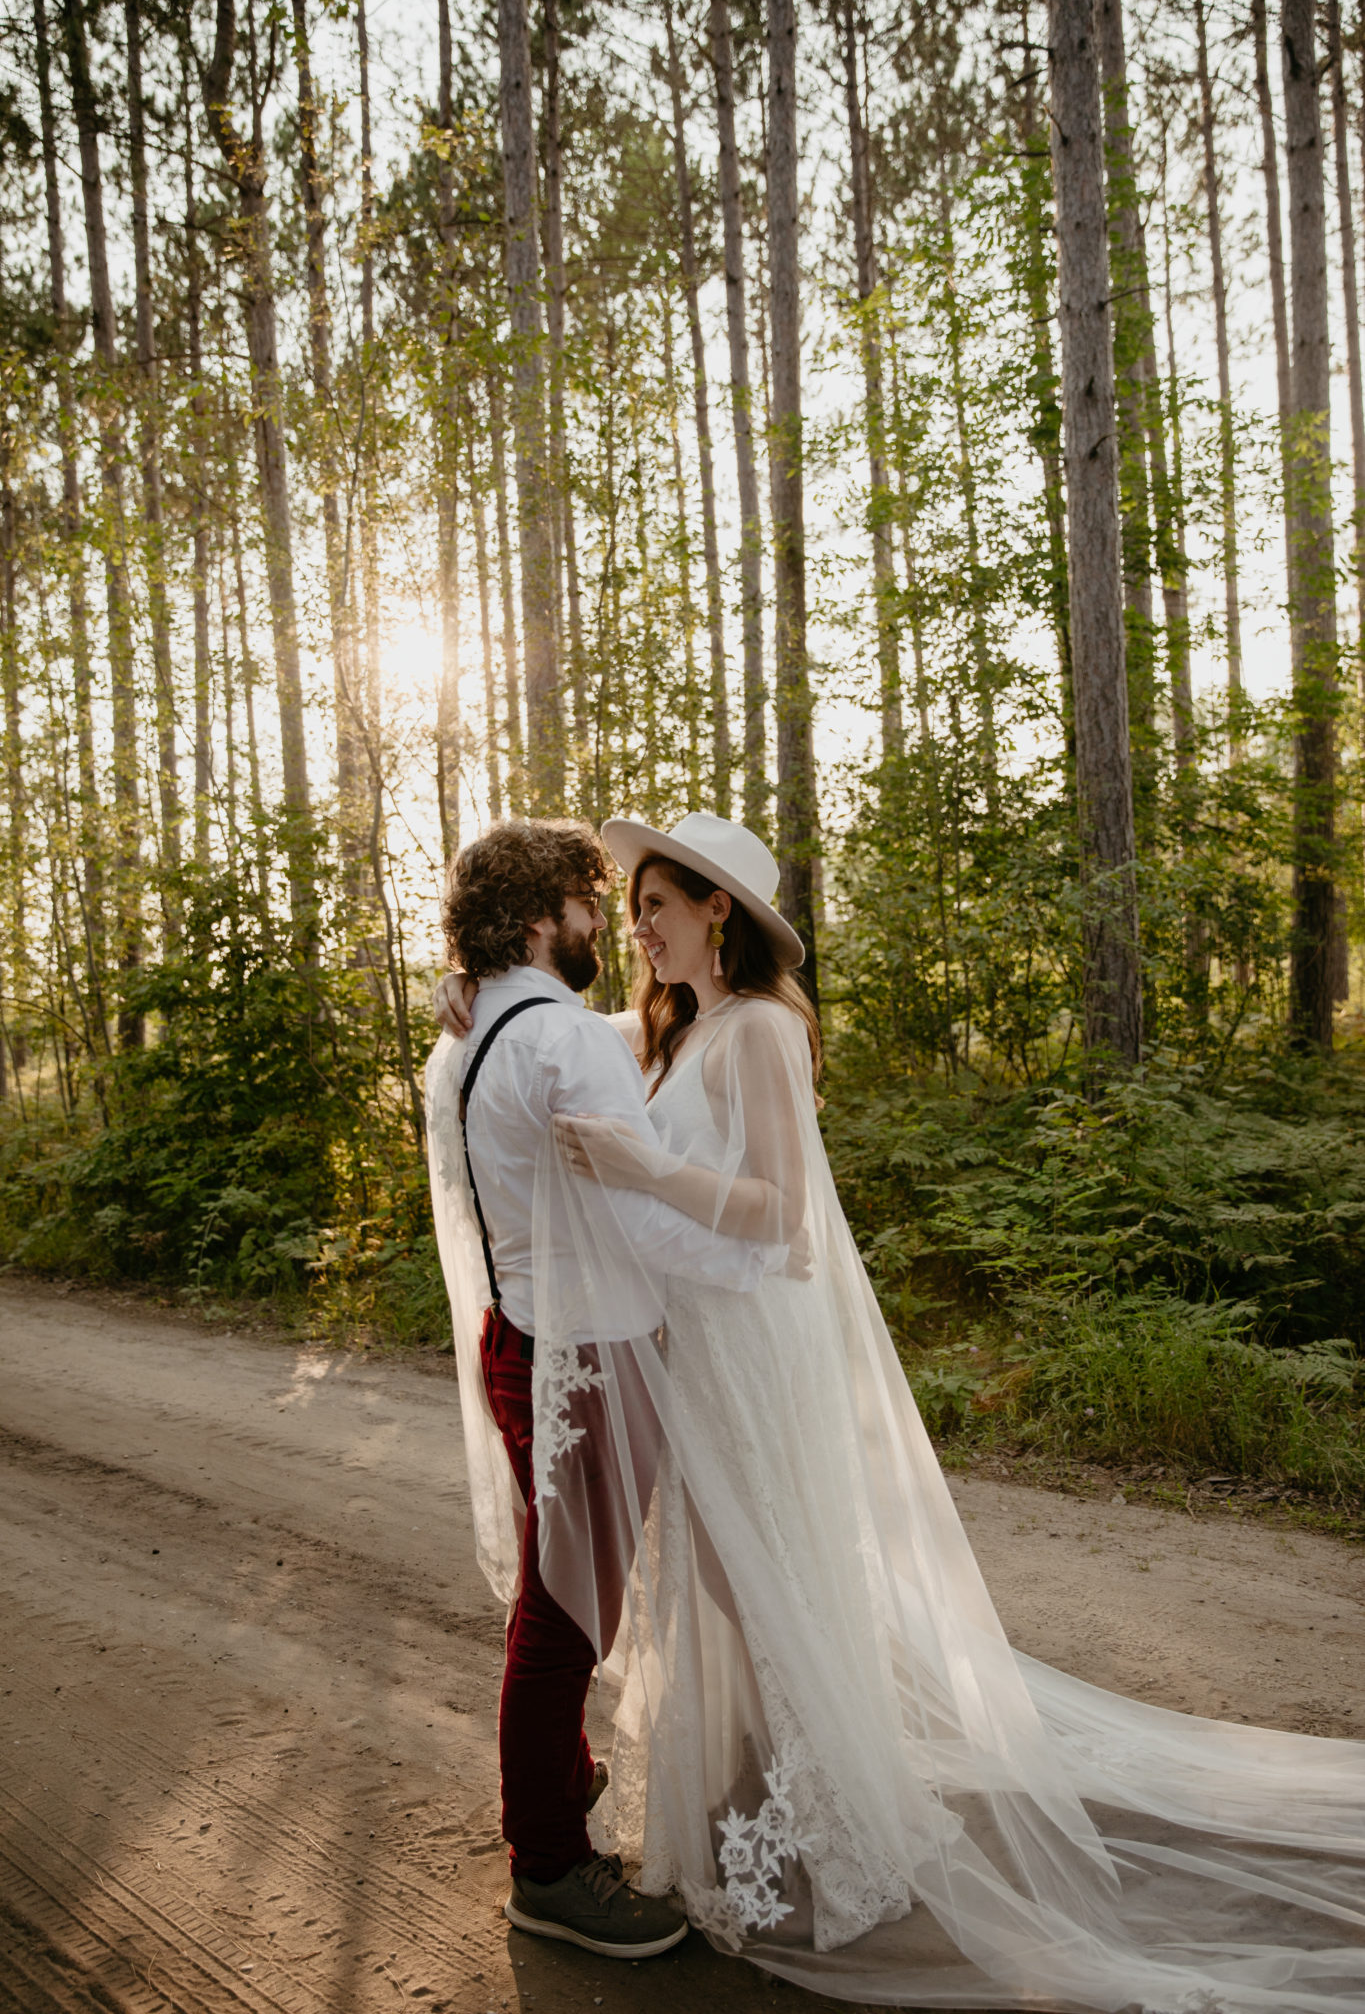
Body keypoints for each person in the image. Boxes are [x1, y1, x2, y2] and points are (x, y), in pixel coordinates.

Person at [431, 811, 1365, 2012]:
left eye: (659, 902)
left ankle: (823, 1816)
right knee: (722, 1589)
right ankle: (756, 1797)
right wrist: (468, 986)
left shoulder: (762, 1029)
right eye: (629, 905)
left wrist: (648, 1169)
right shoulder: (660, 1026)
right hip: (690, 1349)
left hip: (746, 1340)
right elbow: (531, 1030)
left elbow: (780, 1218)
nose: (637, 924)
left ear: (719, 908)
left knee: (771, 1580)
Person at [426, 817, 783, 1962]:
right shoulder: (565, 1039)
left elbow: (655, 1036)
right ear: (545, 917)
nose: (609, 927)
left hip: (518, 1339)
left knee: (561, 1585)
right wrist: (765, 1267)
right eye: (592, 905)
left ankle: (564, 1780)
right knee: (569, 1611)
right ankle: (546, 1860)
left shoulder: (471, 1031)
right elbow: (638, 1220)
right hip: (596, 1349)